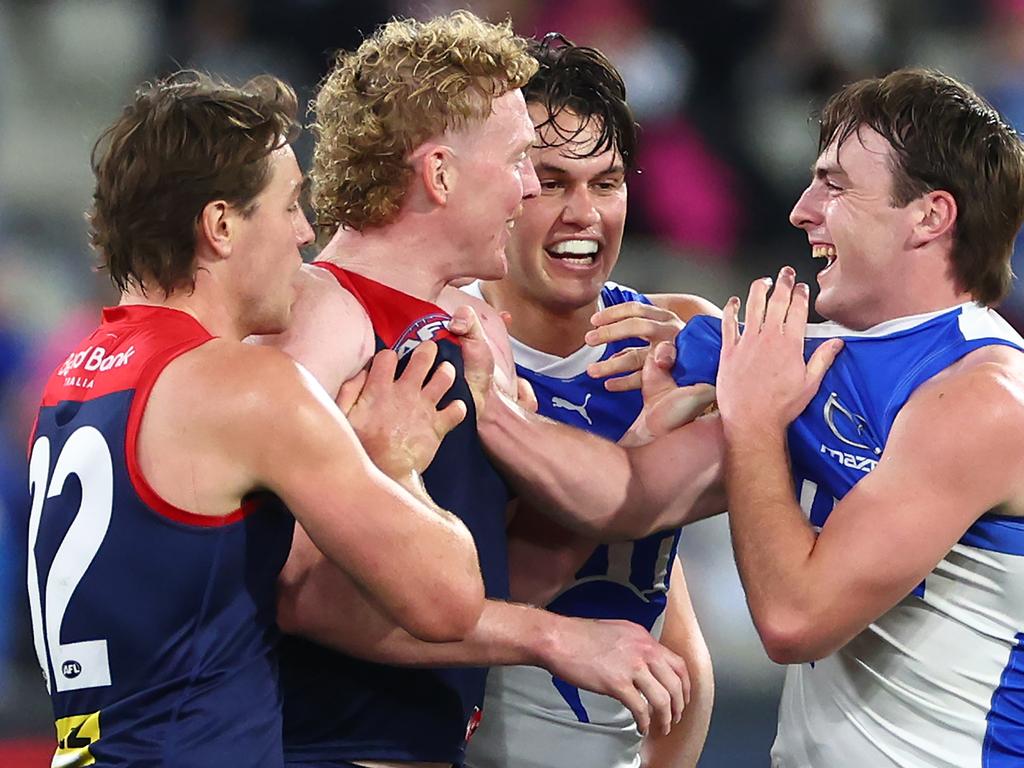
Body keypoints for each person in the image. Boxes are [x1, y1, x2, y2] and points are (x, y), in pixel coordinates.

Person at [470, 67, 1024, 768]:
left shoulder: (985, 397)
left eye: (835, 184)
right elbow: (632, 500)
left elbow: (794, 620)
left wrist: (753, 422)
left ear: (929, 215)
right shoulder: (800, 357)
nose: (801, 209)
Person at [261, 12, 695, 768]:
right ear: (440, 173)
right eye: (525, 161)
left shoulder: (470, 329)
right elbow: (296, 592)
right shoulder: (319, 316)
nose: (528, 187)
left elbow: (502, 581)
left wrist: (642, 455)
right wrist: (555, 637)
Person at [26, 70, 485, 768]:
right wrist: (396, 462)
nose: (306, 233)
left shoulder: (74, 376)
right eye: (291, 205)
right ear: (220, 226)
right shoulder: (247, 390)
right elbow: (449, 603)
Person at [459, 37, 715, 768]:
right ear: (501, 184)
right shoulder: (452, 347)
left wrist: (717, 363)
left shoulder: (673, 337)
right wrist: (636, 458)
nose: (585, 214)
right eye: (551, 181)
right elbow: (467, 599)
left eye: (606, 183)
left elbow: (674, 626)